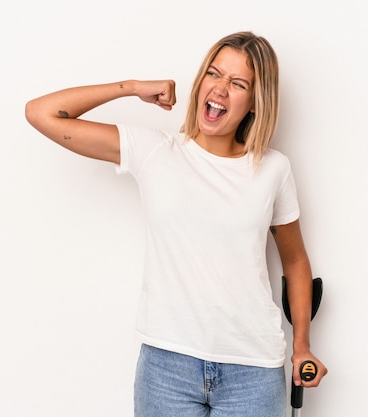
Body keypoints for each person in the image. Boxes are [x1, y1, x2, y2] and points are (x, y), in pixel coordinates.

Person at [25, 31, 327, 417]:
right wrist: (132, 87)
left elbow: (296, 261)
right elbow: (41, 113)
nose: (219, 89)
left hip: (253, 371)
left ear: (255, 102)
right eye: (213, 74)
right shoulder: (155, 151)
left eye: (237, 84)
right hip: (166, 368)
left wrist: (302, 344)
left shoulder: (273, 169)